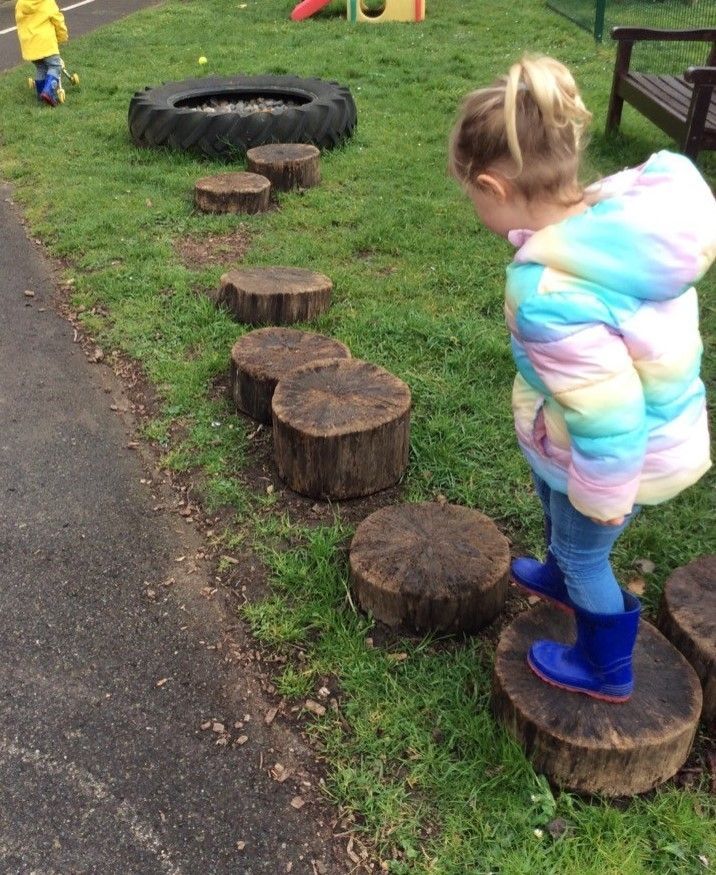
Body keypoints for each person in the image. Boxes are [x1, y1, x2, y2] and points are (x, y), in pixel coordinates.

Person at [449, 55, 715, 702]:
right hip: (604, 432)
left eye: (472, 193)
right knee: (553, 504)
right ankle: (561, 575)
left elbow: (609, 415)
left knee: (587, 551)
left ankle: (605, 663)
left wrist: (601, 497)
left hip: (610, 457)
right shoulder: (611, 225)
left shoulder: (551, 295)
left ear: (493, 185)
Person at [15, 0, 69, 107]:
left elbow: (20, 22)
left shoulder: (20, 4)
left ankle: (41, 94)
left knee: (41, 67)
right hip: (46, 43)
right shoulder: (47, 2)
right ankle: (49, 91)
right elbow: (58, 20)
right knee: (55, 66)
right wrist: (62, 37)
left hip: (30, 45)